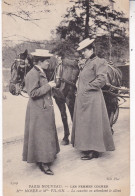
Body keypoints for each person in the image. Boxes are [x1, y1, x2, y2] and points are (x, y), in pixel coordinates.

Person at [71, 38, 115, 160]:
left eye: (84, 51)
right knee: (86, 123)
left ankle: (94, 151)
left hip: (93, 98)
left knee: (93, 124)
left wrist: (86, 88)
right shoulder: (87, 62)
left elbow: (101, 80)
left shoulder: (99, 62)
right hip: (85, 99)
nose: (82, 53)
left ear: (90, 49)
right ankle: (87, 146)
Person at [23, 49, 60, 175]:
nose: (48, 63)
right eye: (46, 61)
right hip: (38, 110)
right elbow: (32, 93)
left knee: (44, 134)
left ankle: (46, 157)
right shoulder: (32, 74)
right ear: (40, 61)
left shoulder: (40, 72)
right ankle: (43, 163)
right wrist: (48, 86)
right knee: (41, 135)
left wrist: (51, 87)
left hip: (43, 109)